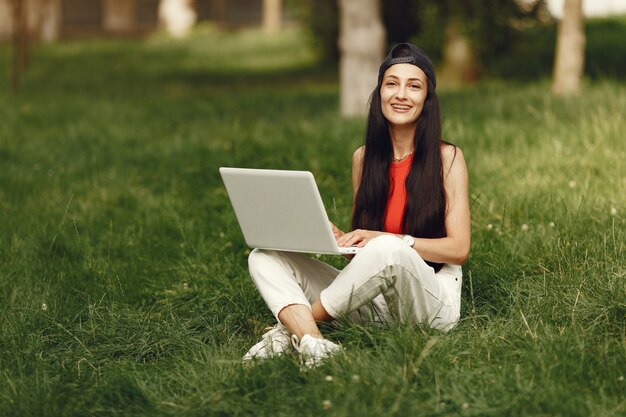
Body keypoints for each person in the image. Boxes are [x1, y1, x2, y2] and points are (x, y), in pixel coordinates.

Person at [243, 43, 470, 368]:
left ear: (427, 99)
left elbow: (459, 249)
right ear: (380, 92)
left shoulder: (448, 158)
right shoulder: (363, 159)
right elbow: (368, 254)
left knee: (389, 248)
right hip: (375, 301)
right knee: (264, 256)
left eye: (414, 85)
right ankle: (314, 345)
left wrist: (392, 241)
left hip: (433, 303)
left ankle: (289, 329)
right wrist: (335, 239)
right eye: (392, 83)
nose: (401, 94)